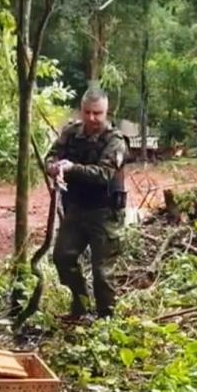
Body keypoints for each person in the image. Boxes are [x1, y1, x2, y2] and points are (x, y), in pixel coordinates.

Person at [46, 88, 129, 320]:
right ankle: (80, 306)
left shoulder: (115, 141)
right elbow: (51, 156)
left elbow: (104, 174)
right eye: (88, 112)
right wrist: (55, 167)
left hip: (105, 213)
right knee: (63, 258)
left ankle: (106, 319)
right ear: (81, 111)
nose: (92, 118)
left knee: (102, 272)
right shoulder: (71, 133)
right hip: (76, 210)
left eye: (98, 113)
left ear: (106, 112)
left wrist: (71, 168)